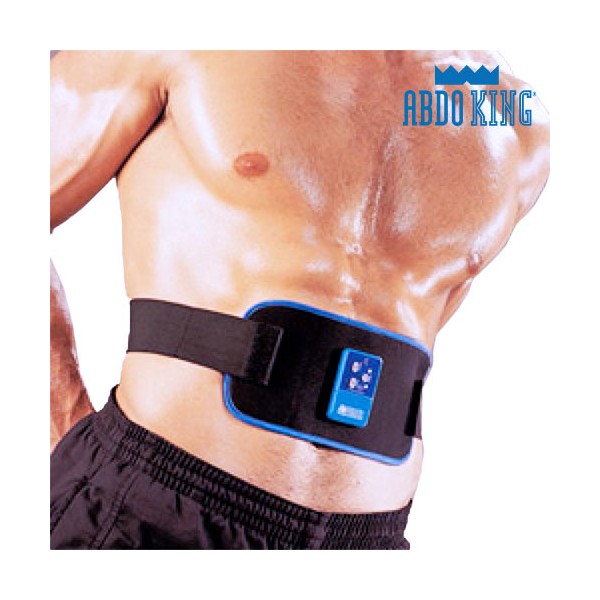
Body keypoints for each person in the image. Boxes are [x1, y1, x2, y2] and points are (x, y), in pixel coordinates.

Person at [50, 50, 550, 549]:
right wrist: (65, 417)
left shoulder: (512, 114)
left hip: (366, 541)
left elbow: (405, 325)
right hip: (154, 503)